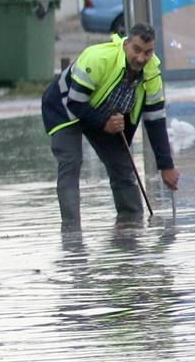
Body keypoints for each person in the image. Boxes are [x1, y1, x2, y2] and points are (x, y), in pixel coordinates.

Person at [42, 24, 179, 228]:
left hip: (105, 114)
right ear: (126, 44)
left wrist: (166, 165)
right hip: (65, 107)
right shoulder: (98, 58)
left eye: (148, 52)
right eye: (136, 50)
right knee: (71, 163)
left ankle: (131, 229)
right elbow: (76, 103)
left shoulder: (152, 74)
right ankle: (71, 232)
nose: (141, 58)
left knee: (123, 170)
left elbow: (156, 122)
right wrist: (104, 122)